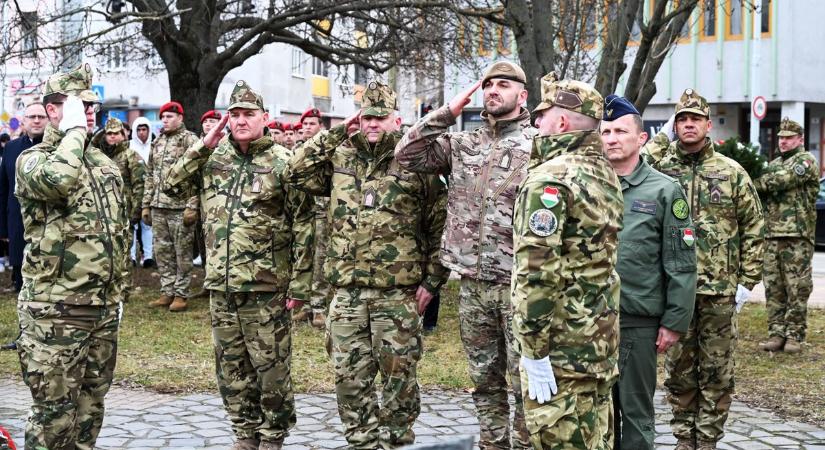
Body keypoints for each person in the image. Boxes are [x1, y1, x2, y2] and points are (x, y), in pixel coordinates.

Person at [286, 80, 448, 449]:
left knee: (399, 380)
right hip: (346, 295)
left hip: (397, 295)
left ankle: (396, 443)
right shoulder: (341, 158)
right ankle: (362, 443)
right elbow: (294, 172)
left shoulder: (415, 162)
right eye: (366, 117)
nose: (372, 124)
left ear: (397, 119)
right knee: (348, 378)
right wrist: (340, 130)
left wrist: (432, 283)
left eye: (380, 117)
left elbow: (441, 225)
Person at [164, 80, 314, 450]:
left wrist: (300, 287)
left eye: (249, 114)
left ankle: (272, 435)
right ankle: (245, 434)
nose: (241, 120)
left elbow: (305, 225)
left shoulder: (283, 162)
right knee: (231, 368)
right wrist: (204, 145)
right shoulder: (213, 159)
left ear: (265, 118)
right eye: (235, 114)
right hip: (221, 285)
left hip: (266, 287)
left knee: (272, 368)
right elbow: (171, 186)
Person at [395, 60, 534, 450]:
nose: (493, 90)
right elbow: (406, 155)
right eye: (488, 84)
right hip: (472, 286)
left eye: (503, 84)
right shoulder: (463, 143)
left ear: (522, 96)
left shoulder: (537, 145)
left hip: (518, 285)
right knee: (484, 380)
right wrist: (448, 113)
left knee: (525, 382)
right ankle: (492, 444)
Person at [15, 63, 129, 450]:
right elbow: (59, 180)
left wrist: (119, 293)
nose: (91, 112)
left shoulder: (104, 164)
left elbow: (118, 230)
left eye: (93, 107)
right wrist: (76, 130)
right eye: (81, 106)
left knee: (90, 409)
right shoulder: (33, 160)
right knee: (53, 415)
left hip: (101, 308)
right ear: (52, 110)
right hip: (55, 311)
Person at [647, 89, 765, 450]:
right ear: (674, 125)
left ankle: (709, 440)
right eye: (681, 119)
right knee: (679, 372)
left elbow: (755, 226)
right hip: (672, 292)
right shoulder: (660, 170)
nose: (687, 125)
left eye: (694, 119)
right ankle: (685, 439)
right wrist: (661, 139)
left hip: (719, 291)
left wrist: (747, 281)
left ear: (708, 125)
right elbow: (634, 166)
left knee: (716, 372)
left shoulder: (731, 173)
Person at [510, 73, 622, 449]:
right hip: (598, 345)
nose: (535, 123)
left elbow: (536, 273)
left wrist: (534, 350)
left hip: (560, 350)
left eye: (541, 116)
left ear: (559, 122)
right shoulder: (604, 173)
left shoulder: (550, 179)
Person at [600, 95, 697, 450]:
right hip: (590, 319)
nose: (611, 138)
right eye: (605, 130)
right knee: (597, 414)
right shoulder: (589, 183)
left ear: (641, 138)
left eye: (620, 131)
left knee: (636, 414)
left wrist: (674, 320)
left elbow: (681, 261)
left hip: (637, 322)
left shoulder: (664, 190)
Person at [754, 117, 818, 354]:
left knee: (797, 288)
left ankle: (795, 335)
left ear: (800, 139)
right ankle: (776, 333)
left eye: (788, 138)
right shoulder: (774, 163)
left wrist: (753, 180)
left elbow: (780, 181)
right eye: (780, 138)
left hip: (797, 235)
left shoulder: (806, 161)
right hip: (772, 234)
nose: (783, 141)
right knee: (774, 287)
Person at [141, 101, 199, 311]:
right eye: (163, 117)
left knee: (182, 252)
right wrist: (145, 205)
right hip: (158, 206)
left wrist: (192, 206)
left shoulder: (189, 139)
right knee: (162, 251)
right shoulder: (158, 142)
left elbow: (197, 174)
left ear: (180, 118)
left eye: (170, 117)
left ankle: (181, 294)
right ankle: (167, 291)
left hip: (180, 207)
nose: (165, 120)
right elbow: (150, 174)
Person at [92, 118, 146, 303]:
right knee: (103, 250)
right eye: (109, 133)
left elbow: (140, 185)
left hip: (124, 212)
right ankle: (106, 287)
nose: (112, 137)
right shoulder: (100, 155)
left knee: (123, 252)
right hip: (102, 211)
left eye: (116, 133)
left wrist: (136, 212)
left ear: (124, 135)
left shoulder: (131, 156)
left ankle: (124, 289)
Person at [0, 103, 46, 293]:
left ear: (48, 120)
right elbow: (3, 188)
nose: (36, 120)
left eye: (41, 117)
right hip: (17, 214)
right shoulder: (11, 148)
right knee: (19, 254)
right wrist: (3, 226)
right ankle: (19, 285)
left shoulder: (57, 147)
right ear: (23, 121)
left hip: (47, 215)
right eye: (32, 116)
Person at [292, 107, 330, 328]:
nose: (307, 128)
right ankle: (303, 304)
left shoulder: (328, 150)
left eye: (312, 124)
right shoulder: (297, 150)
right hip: (301, 212)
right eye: (304, 124)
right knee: (301, 258)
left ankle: (318, 307)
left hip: (322, 212)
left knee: (320, 259)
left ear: (321, 127)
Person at [130, 117, 155, 267]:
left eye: (144, 129)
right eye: (138, 129)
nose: (141, 133)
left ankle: (148, 256)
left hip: (149, 191)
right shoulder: (129, 146)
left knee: (147, 224)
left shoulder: (154, 146)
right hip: (132, 192)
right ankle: (131, 256)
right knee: (132, 224)